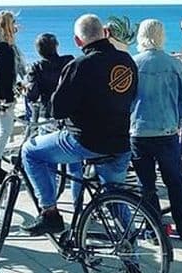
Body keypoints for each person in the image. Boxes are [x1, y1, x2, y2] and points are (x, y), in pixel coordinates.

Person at [20, 14, 138, 235]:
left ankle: (49, 213)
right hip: (121, 141)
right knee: (115, 198)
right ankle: (130, 248)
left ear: (77, 41)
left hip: (85, 141)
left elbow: (58, 109)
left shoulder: (79, 66)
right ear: (105, 33)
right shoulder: (126, 60)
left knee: (30, 152)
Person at [129, 19, 182, 240]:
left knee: (146, 185)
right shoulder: (174, 64)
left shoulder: (133, 64)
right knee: (175, 182)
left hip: (138, 131)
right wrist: (180, 120)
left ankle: (153, 229)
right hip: (167, 131)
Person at [0, 10, 25, 185]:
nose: (16, 27)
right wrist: (4, 101)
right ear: (8, 26)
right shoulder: (5, 50)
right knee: (4, 131)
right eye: (13, 24)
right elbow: (1, 77)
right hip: (0, 98)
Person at [25, 33, 73, 120]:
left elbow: (32, 95)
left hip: (48, 112)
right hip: (69, 112)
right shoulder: (69, 61)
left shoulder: (36, 68)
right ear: (56, 46)